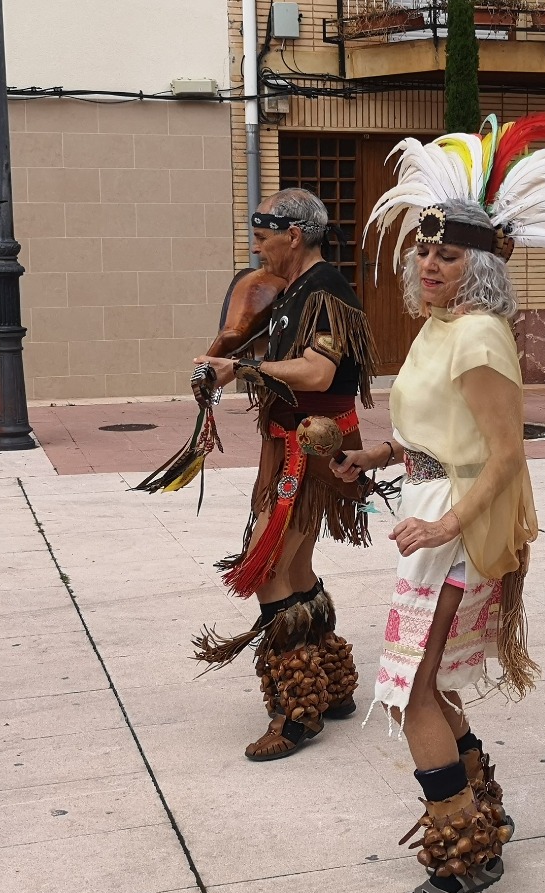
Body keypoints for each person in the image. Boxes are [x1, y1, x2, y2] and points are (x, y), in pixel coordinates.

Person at [340, 115, 545, 893]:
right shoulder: (439, 329)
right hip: (434, 510)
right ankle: (481, 819)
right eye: (423, 249)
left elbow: (505, 455)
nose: (429, 263)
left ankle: (463, 850)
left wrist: (445, 525)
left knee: (411, 690)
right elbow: (442, 436)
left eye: (448, 253)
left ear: (483, 265)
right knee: (433, 684)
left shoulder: (478, 337)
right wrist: (377, 456)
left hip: (457, 528)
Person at [189, 188, 379, 762]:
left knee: (267, 570)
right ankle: (332, 686)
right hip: (298, 443)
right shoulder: (299, 289)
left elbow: (318, 374)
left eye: (262, 237)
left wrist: (242, 367)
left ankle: (297, 712)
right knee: (295, 568)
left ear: (293, 235)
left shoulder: (324, 291)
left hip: (309, 449)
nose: (257, 248)